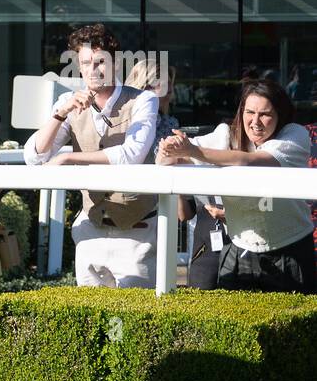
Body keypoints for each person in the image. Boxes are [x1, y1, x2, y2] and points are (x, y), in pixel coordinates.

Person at [25, 23, 160, 288]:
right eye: (85, 63)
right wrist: (59, 114)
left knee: (137, 320)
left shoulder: (143, 100)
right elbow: (35, 157)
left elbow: (131, 154)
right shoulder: (68, 103)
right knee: (90, 320)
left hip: (137, 231)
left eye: (100, 62)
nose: (92, 70)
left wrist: (69, 159)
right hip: (91, 226)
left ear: (117, 64)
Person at [158, 78, 315, 293]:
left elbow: (251, 161)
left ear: (281, 115)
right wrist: (171, 148)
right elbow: (171, 158)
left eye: (265, 114)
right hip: (238, 250)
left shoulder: (295, 135)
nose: (255, 121)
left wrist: (192, 152)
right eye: (250, 112)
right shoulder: (225, 134)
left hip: (290, 249)